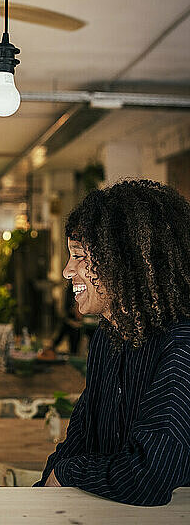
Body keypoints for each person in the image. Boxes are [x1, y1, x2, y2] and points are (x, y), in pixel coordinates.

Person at [36, 179, 190, 506]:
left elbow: (147, 477)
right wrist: (41, 494)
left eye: (78, 256)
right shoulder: (108, 336)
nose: (67, 271)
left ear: (124, 261)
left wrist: (66, 473)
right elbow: (81, 437)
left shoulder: (181, 346)